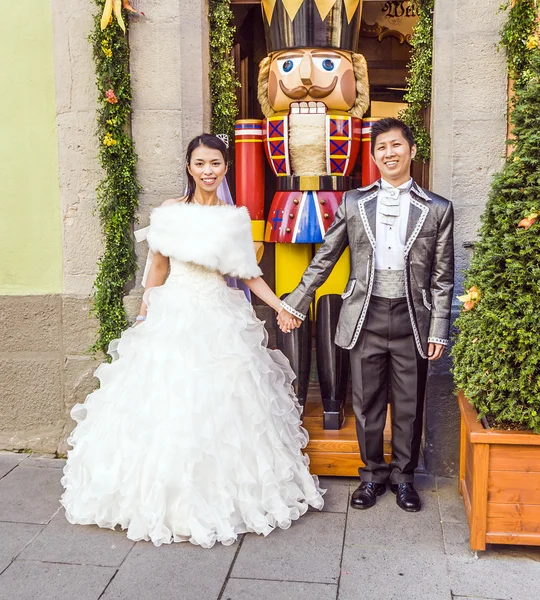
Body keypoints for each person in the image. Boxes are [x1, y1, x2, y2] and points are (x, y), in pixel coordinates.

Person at [61, 134, 323, 548]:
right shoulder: (169, 212)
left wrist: (280, 306)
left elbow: (249, 273)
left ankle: (227, 495)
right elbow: (159, 267)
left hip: (219, 312)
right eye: (200, 163)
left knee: (226, 403)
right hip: (175, 312)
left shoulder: (234, 217)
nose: (207, 171)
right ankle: (162, 499)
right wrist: (146, 315)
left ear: (225, 168)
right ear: (189, 166)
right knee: (168, 400)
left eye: (215, 163)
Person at [279, 118, 454, 512]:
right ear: (373, 157)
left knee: (409, 402)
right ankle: (373, 475)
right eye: (381, 148)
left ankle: (405, 478)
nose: (389, 153)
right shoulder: (354, 202)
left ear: (411, 150)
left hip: (413, 318)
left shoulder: (438, 208)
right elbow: (326, 256)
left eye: (396, 145)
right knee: (367, 401)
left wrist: (438, 329)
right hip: (365, 314)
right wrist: (296, 301)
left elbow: (443, 276)